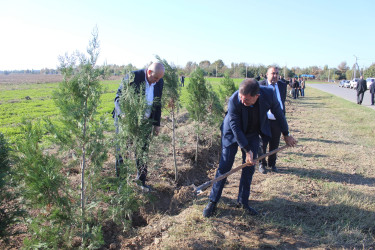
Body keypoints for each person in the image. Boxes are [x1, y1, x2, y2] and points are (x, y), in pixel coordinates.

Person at [202, 78, 297, 218]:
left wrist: (286, 134)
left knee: (249, 166)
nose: (242, 101)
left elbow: (279, 114)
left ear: (256, 96)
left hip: (252, 131)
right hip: (232, 133)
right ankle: (213, 201)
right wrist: (246, 149)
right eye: (241, 97)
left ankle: (243, 202)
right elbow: (235, 126)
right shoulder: (235, 99)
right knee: (225, 165)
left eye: (246, 99)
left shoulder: (269, 94)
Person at [113, 62, 165, 191]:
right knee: (122, 152)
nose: (157, 81)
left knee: (142, 151)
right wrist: (124, 115)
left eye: (159, 79)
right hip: (126, 121)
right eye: (155, 78)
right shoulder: (133, 77)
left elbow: (157, 104)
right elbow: (118, 98)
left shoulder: (159, 82)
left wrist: (156, 124)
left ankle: (141, 181)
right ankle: (121, 184)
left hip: (145, 123)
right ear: (149, 72)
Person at [258, 67, 288, 174]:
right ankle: (262, 164)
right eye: (272, 73)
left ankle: (272, 164)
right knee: (262, 143)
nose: (275, 76)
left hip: (277, 120)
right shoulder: (260, 85)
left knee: (275, 143)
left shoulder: (282, 85)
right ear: (267, 74)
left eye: (277, 73)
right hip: (265, 120)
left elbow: (282, 101)